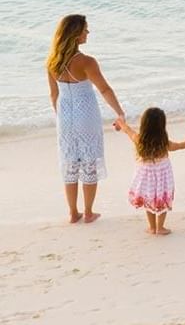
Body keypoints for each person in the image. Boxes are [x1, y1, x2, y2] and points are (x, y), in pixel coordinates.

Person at [46, 14, 127, 224]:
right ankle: (89, 212)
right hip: (86, 116)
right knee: (89, 163)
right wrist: (120, 113)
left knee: (70, 163)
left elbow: (54, 95)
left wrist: (61, 116)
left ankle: (73, 213)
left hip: (64, 118)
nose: (87, 33)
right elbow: (105, 89)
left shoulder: (52, 62)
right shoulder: (87, 62)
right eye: (85, 29)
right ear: (75, 34)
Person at [114, 108, 185, 235]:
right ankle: (160, 227)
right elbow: (180, 146)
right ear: (162, 125)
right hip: (163, 178)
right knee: (162, 199)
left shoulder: (140, 140)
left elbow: (128, 131)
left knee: (148, 199)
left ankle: (152, 227)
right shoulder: (164, 143)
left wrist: (120, 122)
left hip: (147, 178)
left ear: (144, 124)